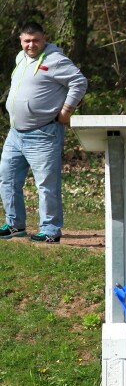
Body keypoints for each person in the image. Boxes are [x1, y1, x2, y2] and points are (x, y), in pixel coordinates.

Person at [1, 21, 87, 244]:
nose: (31, 45)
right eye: (27, 41)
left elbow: (79, 81)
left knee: (46, 185)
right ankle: (14, 225)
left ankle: (50, 231)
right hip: (15, 133)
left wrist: (66, 110)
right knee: (8, 179)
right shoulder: (21, 58)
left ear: (44, 39)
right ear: (20, 40)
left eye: (36, 40)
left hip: (43, 133)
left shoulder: (55, 60)